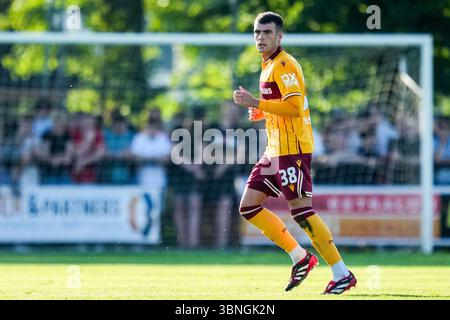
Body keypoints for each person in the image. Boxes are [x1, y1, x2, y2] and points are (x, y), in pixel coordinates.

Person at [232, 11, 356, 294]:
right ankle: (300, 256)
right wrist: (262, 109)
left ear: (279, 36)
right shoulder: (268, 65)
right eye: (257, 33)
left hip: (292, 150)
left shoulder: (284, 64)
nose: (261, 38)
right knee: (249, 207)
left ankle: (342, 272)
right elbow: (282, 107)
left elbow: (294, 108)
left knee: (301, 212)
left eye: (267, 33)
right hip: (274, 150)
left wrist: (256, 101)